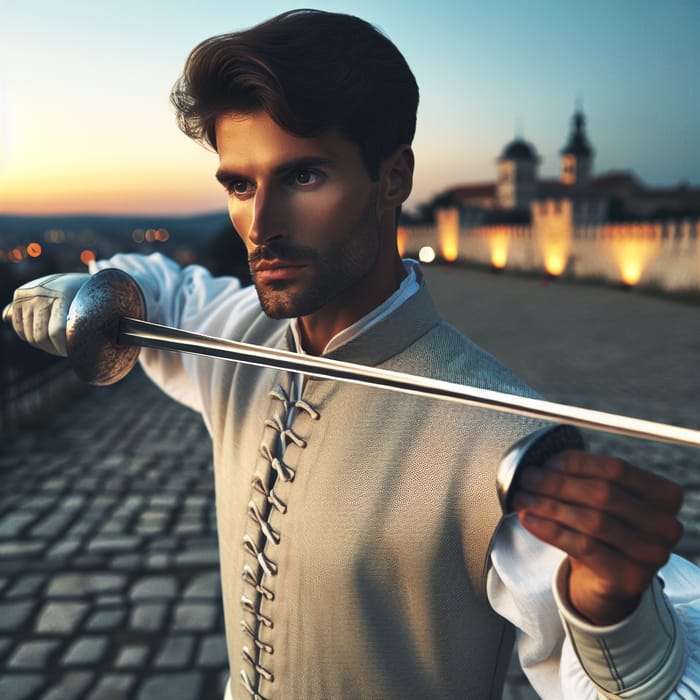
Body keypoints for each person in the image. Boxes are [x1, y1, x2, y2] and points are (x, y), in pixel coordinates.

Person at [8, 9, 699, 699]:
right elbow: (169, 290)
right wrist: (88, 289)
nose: (263, 226)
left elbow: (632, 687)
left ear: (392, 178)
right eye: (240, 185)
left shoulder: (507, 442)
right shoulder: (235, 337)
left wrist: (613, 618)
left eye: (303, 177)